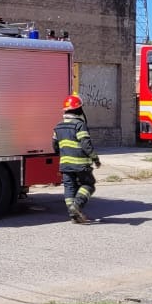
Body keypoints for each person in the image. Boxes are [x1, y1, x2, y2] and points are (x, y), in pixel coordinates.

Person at [52, 94, 101, 224]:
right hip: (80, 164)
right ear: (79, 110)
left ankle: (73, 214)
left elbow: (55, 146)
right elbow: (86, 144)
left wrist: (63, 156)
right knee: (89, 185)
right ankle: (77, 206)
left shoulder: (58, 126)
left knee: (70, 188)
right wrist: (95, 158)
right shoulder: (79, 125)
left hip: (65, 164)